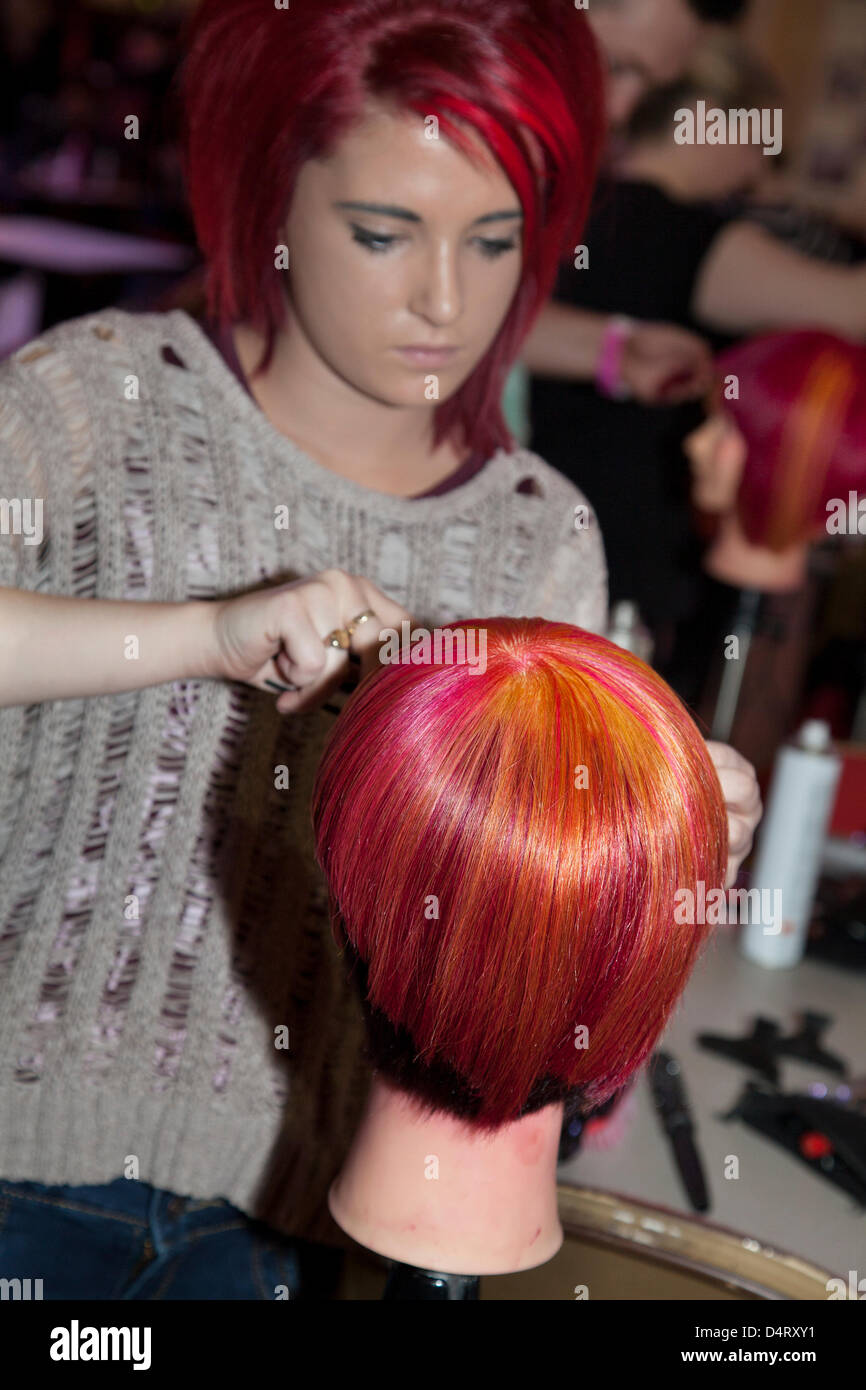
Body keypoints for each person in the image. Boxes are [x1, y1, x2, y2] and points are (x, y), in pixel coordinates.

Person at [0, 0, 760, 1301]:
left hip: (289, 1217)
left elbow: (510, 945)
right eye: (380, 233)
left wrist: (662, 837)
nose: (446, 304)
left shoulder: (535, 540)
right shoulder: (100, 397)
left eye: (495, 241)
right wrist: (204, 633)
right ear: (271, 200)